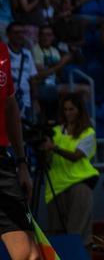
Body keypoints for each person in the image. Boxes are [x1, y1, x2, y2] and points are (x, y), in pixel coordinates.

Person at [43, 93, 99, 243]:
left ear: (80, 110)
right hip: (55, 187)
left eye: (71, 109)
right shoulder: (54, 131)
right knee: (56, 235)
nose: (68, 113)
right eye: (65, 109)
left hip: (79, 185)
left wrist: (53, 147)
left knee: (78, 234)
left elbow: (76, 156)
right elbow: (46, 158)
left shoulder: (88, 132)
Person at [0, 36, 37, 260]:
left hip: (2, 163)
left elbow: (10, 106)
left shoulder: (2, 49)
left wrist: (21, 162)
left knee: (29, 254)